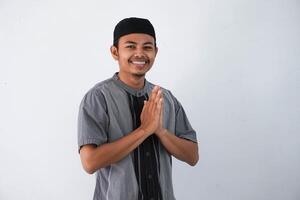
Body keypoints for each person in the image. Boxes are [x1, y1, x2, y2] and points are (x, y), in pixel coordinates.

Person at [77, 17, 199, 200]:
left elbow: (192, 156)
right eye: (131, 46)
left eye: (147, 47)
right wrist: (144, 130)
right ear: (115, 52)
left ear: (155, 52)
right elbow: (90, 162)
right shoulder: (98, 98)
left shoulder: (166, 98)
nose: (140, 53)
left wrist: (160, 131)